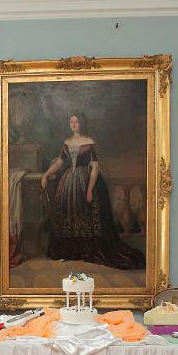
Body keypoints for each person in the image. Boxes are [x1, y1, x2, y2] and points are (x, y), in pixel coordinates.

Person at [39, 113, 145, 269]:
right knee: (69, 215)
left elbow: (95, 168)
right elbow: (59, 163)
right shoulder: (66, 142)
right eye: (71, 121)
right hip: (68, 182)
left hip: (85, 180)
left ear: (82, 123)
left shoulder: (89, 142)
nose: (73, 124)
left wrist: (89, 190)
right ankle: (68, 251)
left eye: (76, 121)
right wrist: (46, 175)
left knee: (86, 215)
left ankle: (87, 250)